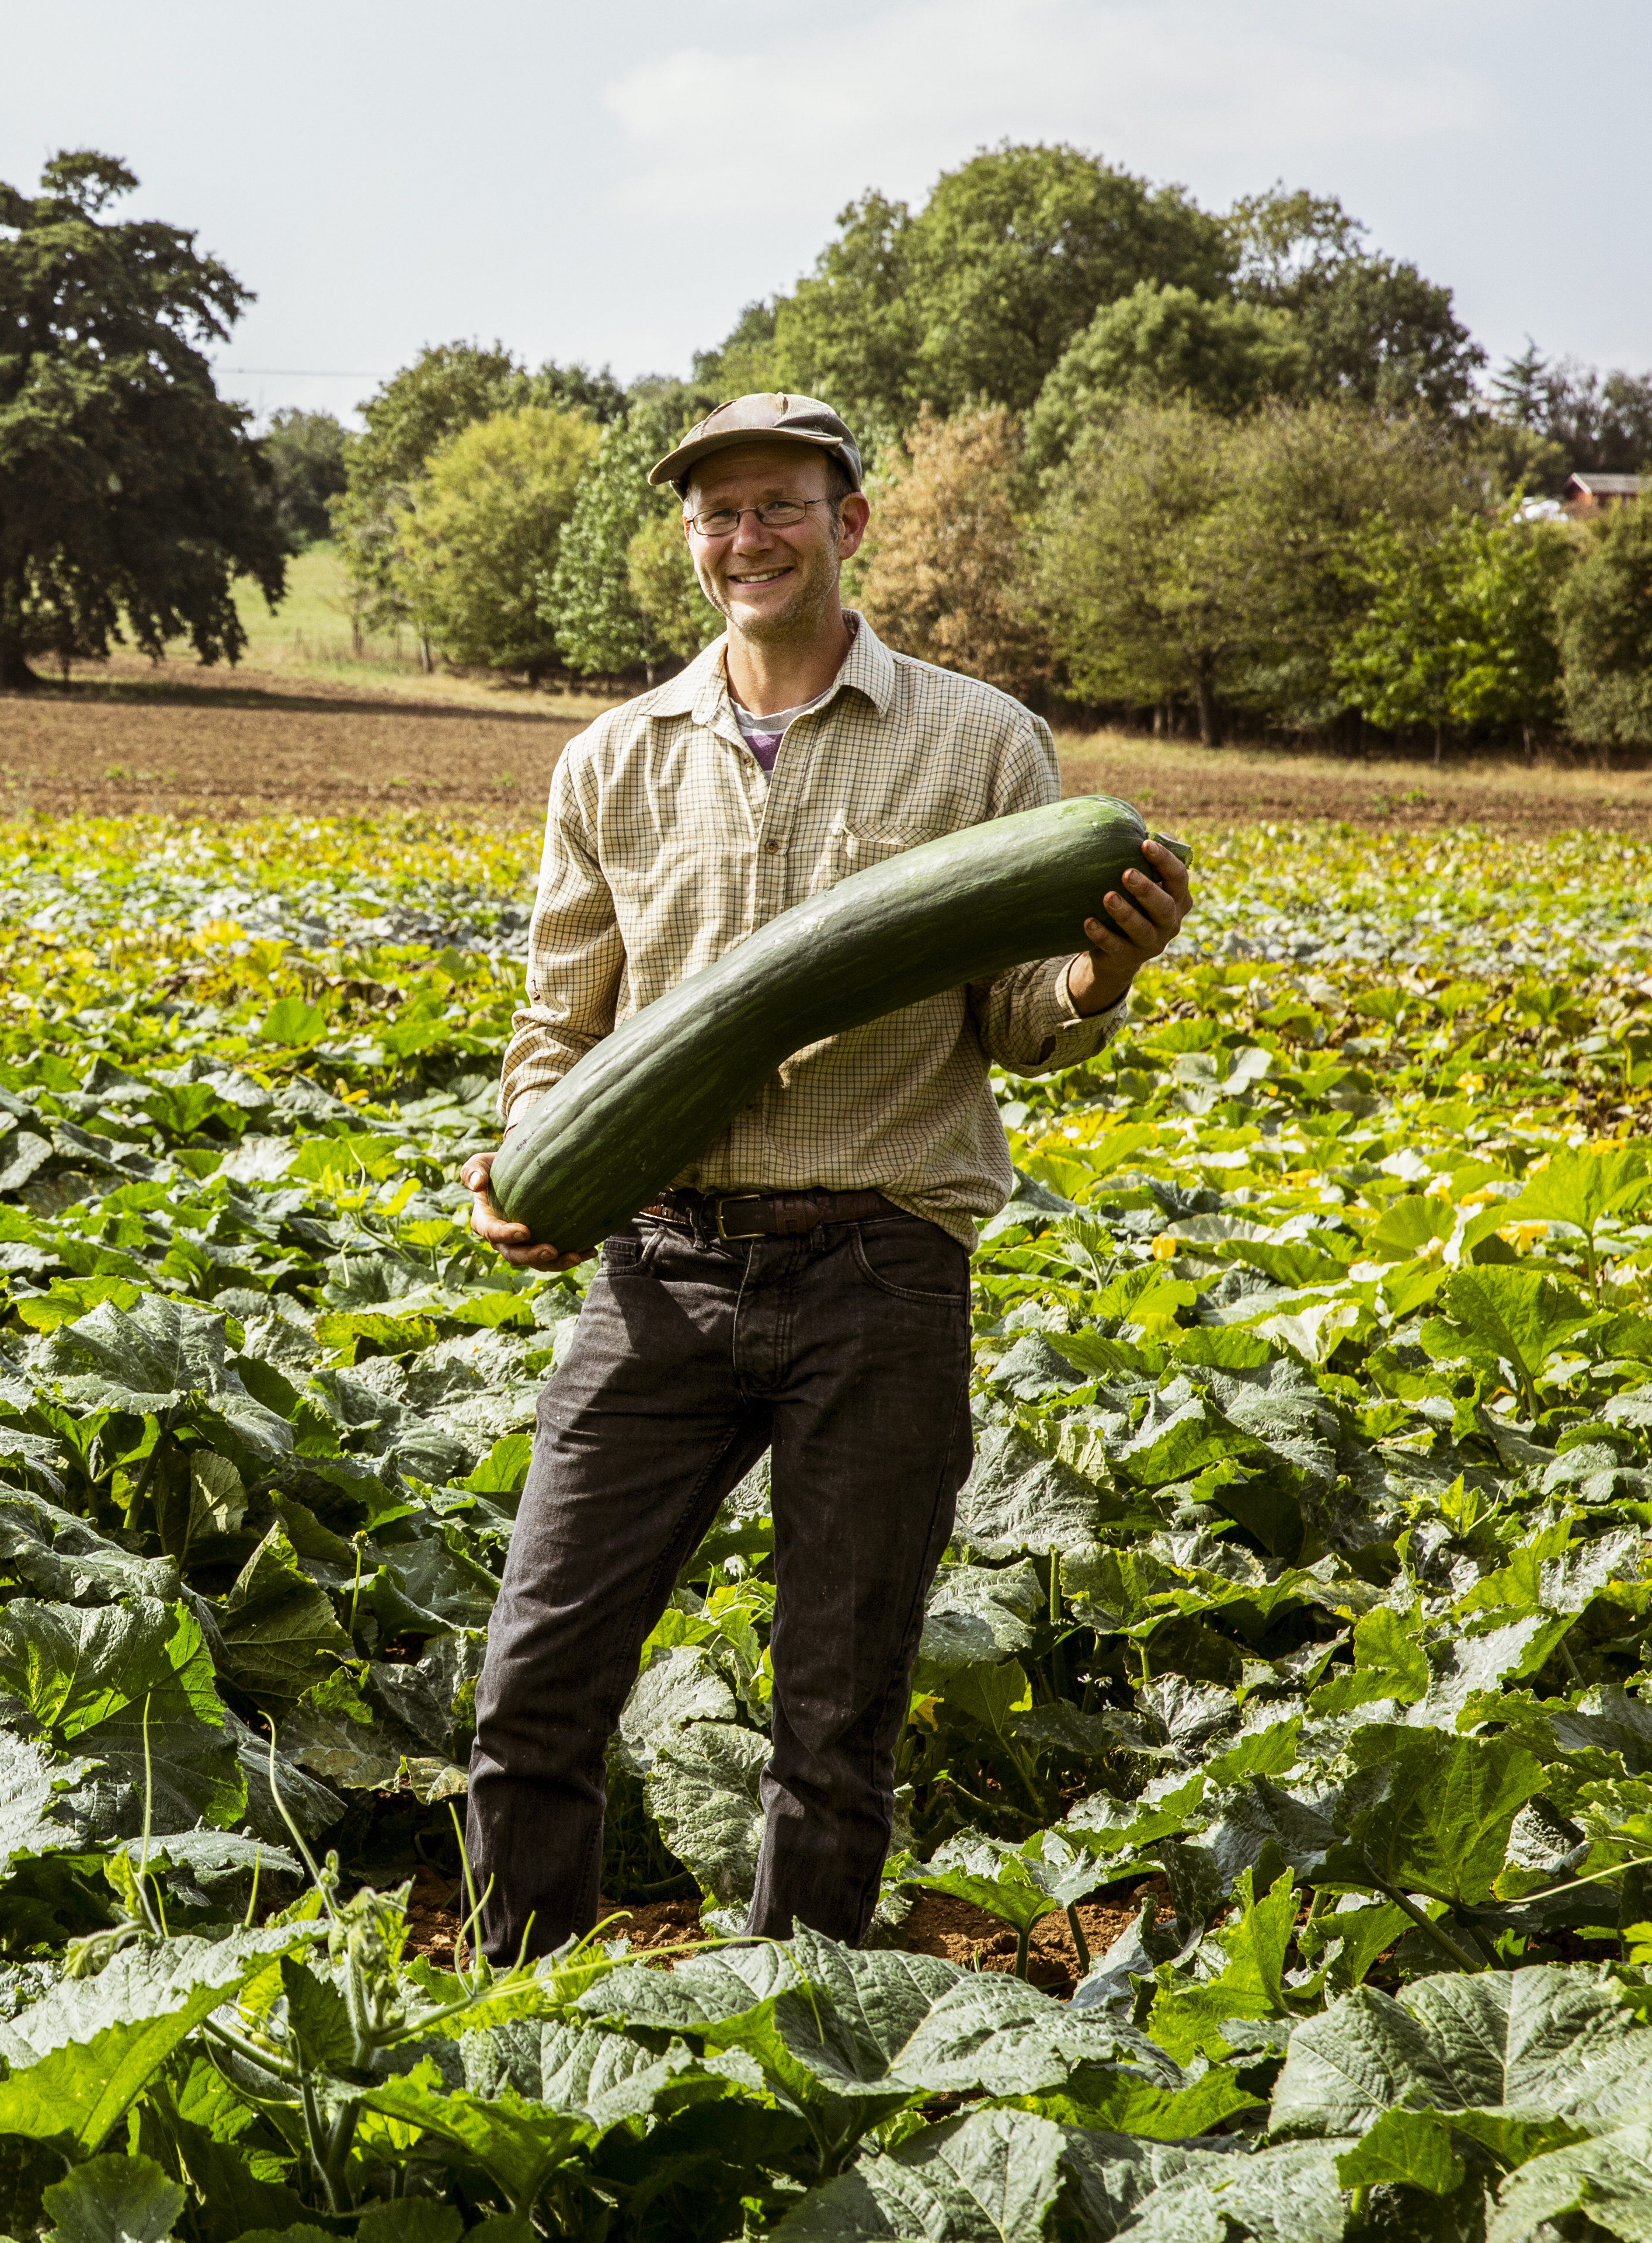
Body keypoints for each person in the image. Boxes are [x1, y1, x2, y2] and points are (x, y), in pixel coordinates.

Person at [454, 392, 1191, 1960]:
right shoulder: (612, 760)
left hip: (879, 1273)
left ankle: (803, 2046)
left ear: (849, 524)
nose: (747, 538)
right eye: (719, 513)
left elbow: (1015, 1010)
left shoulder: (982, 744)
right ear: (690, 539)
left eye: (780, 506)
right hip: (657, 1271)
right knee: (536, 1684)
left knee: (835, 1721)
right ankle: (511, 2027)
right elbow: (559, 1022)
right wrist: (521, 1155)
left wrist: (1102, 983)